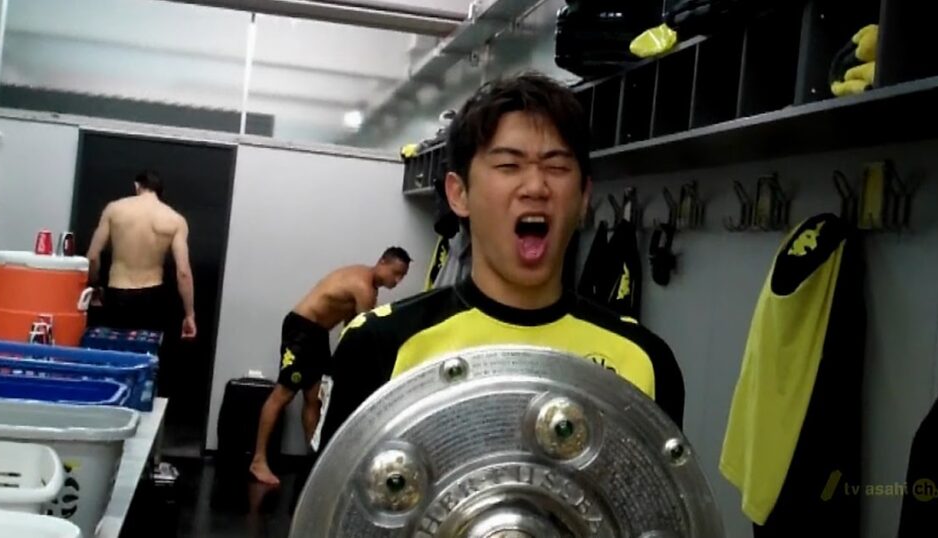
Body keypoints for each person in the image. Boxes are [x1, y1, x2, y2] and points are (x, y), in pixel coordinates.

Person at [318, 73, 685, 457]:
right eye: (509, 165)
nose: (536, 187)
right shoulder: (378, 346)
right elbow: (333, 492)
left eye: (557, 167)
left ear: (583, 198)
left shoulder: (645, 360)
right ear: (459, 194)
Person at [249, 247, 412, 486]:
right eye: (395, 273)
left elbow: (351, 328)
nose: (397, 280)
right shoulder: (363, 287)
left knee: (315, 398)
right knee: (283, 394)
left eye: (402, 276)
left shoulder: (367, 284)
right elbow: (367, 333)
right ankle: (258, 461)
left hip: (317, 335)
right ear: (382, 262)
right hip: (302, 330)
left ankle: (315, 461)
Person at [85, 170, 197, 339]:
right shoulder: (175, 220)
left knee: (114, 349)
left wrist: (94, 287)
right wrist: (189, 314)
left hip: (117, 292)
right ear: (159, 191)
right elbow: (183, 272)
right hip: (152, 296)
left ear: (137, 186)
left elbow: (92, 257)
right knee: (147, 349)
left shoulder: (114, 209)